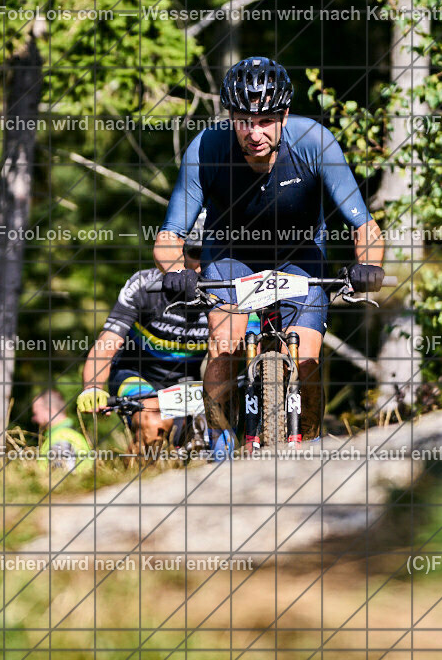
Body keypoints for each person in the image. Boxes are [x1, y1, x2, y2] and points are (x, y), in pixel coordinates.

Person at [153, 56, 386, 457]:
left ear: (284, 116)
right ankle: (222, 443)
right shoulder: (207, 148)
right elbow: (169, 235)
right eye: (244, 120)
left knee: (308, 359)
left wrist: (369, 266)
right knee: (224, 345)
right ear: (230, 118)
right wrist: (177, 270)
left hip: (300, 256)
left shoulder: (314, 141)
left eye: (265, 121)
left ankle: (309, 450)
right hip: (230, 254)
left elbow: (365, 225)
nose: (254, 132)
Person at [76, 235, 210, 457]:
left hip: (186, 380)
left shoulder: (224, 289)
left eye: (210, 255)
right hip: (136, 373)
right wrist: (93, 387)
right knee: (152, 418)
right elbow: (107, 343)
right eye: (195, 254)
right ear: (178, 252)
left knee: (200, 438)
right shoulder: (145, 285)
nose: (201, 264)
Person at [33, 390, 92, 474]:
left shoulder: (61, 437)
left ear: (49, 410)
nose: (34, 419)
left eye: (36, 413)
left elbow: (62, 478)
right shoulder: (71, 434)